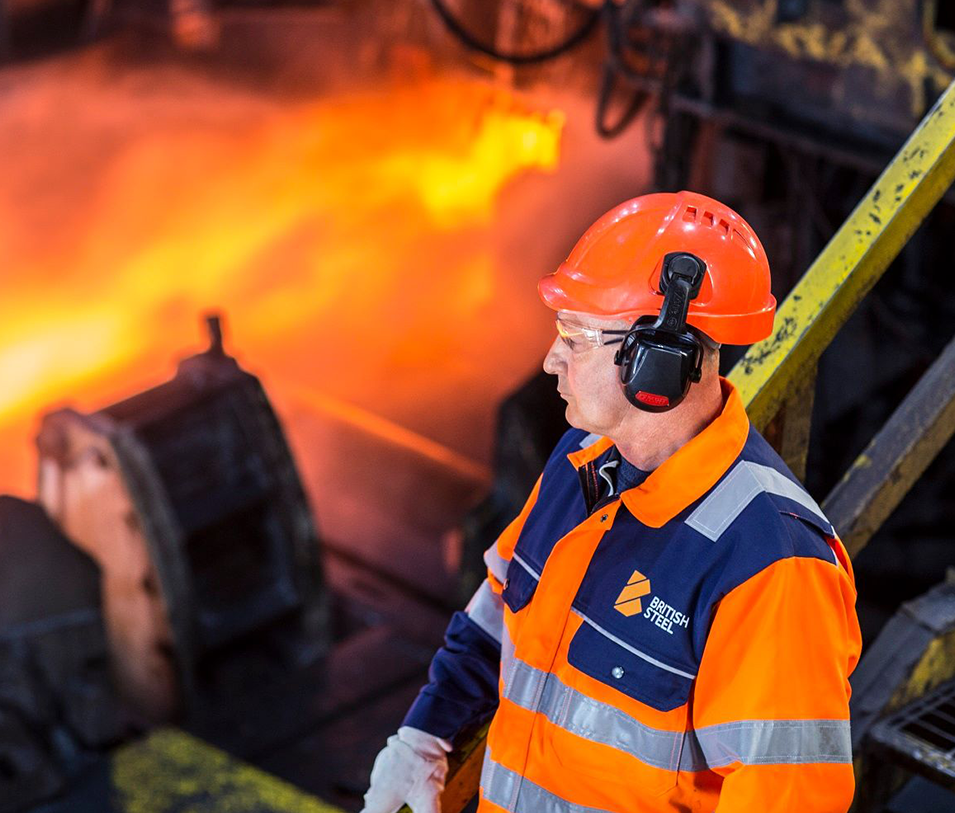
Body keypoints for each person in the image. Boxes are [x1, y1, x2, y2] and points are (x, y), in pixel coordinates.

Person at [359, 191, 862, 813]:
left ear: (657, 363)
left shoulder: (772, 564)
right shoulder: (580, 465)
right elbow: (501, 604)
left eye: (576, 335)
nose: (551, 360)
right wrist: (425, 735)